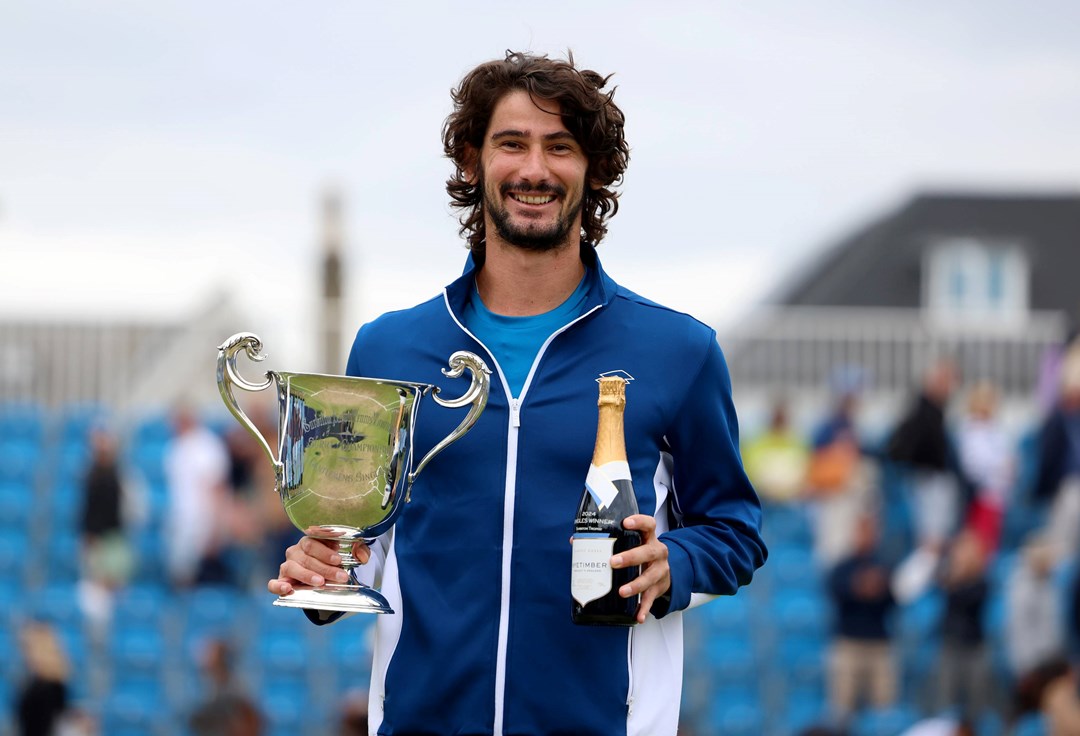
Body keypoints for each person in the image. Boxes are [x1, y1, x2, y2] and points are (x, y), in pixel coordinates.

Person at [269, 51, 767, 736]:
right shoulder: (388, 349)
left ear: (592, 170)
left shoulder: (678, 351)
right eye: (513, 143)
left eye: (559, 147)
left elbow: (734, 530)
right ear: (472, 163)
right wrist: (321, 574)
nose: (535, 169)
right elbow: (365, 548)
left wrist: (673, 563)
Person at [826, 513, 898, 720]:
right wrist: (859, 586)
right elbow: (836, 593)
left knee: (884, 709)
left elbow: (895, 599)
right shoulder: (843, 567)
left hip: (879, 643)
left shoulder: (884, 565)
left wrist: (879, 587)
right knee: (842, 709)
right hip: (849, 642)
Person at [886, 359, 961, 550]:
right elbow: (900, 448)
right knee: (930, 543)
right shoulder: (920, 410)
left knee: (938, 541)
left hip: (933, 482)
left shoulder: (937, 411)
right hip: (926, 482)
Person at [164, 404, 232, 588]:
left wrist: (215, 529)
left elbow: (217, 490)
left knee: (204, 583)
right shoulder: (176, 446)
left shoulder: (207, 446)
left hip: (202, 524)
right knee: (182, 580)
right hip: (181, 523)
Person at [742, 396, 810, 505]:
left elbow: (805, 468)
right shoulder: (757, 441)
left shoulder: (798, 441)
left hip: (793, 500)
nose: (780, 418)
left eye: (783, 415)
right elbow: (750, 469)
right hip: (763, 498)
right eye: (777, 415)